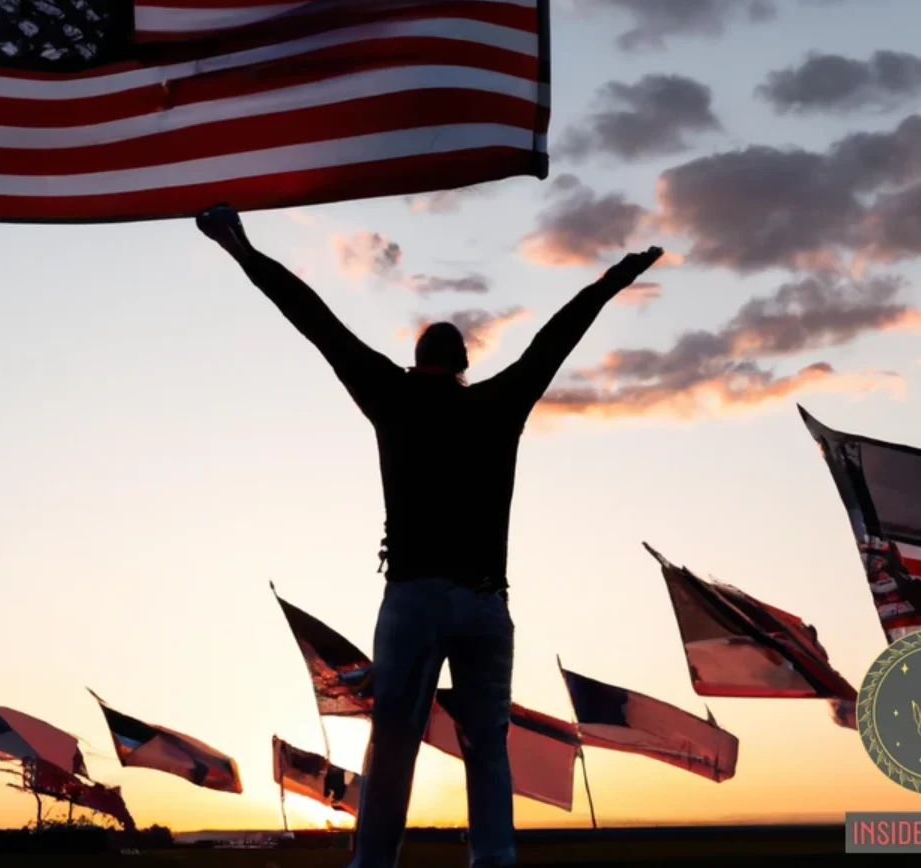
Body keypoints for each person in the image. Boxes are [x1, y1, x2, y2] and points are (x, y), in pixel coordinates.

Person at [196, 204, 663, 868]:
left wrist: (240, 248)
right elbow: (558, 336)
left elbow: (314, 320)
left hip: (414, 598)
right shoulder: (496, 404)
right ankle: (494, 858)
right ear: (466, 363)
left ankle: (373, 862)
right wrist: (613, 280)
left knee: (394, 743)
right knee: (487, 747)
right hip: (483, 604)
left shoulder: (393, 396)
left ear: (417, 363)